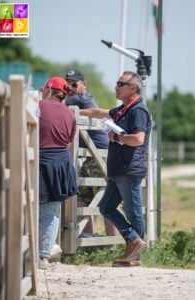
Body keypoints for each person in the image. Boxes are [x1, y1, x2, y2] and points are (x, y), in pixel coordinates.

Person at [80, 71, 152, 267]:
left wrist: (117, 137)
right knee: (106, 207)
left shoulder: (138, 110)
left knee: (133, 213)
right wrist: (73, 111)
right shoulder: (123, 110)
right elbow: (100, 112)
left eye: (120, 84)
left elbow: (138, 139)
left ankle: (135, 256)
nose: (116, 87)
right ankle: (134, 242)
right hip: (118, 170)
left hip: (128, 170)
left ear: (133, 88)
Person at [64, 69, 118, 237]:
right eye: (67, 85)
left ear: (84, 85)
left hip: (99, 154)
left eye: (74, 84)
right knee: (83, 198)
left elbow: (59, 103)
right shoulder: (77, 99)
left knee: (103, 199)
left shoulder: (82, 98)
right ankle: (89, 236)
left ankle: (110, 242)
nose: (70, 88)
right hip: (88, 155)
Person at [39, 77, 79, 269]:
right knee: (51, 212)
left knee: (30, 209)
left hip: (40, 161)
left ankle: (29, 255)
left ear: (48, 90)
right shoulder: (70, 114)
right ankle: (43, 257)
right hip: (61, 163)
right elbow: (68, 143)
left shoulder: (37, 106)